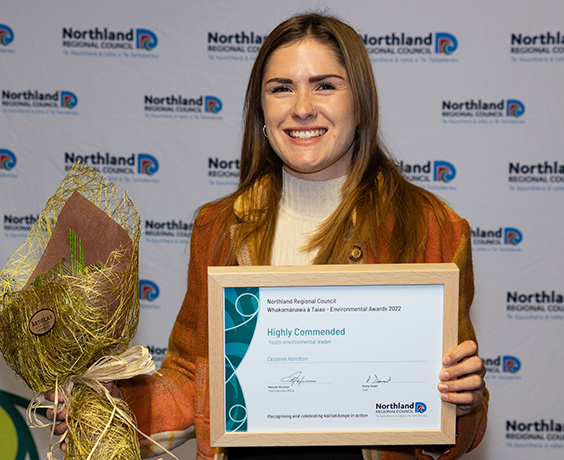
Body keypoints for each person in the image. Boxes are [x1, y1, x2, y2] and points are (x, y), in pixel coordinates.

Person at [51, 12, 487, 460]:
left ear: (360, 103)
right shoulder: (218, 226)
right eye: (281, 88)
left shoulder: (430, 226)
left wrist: (463, 402)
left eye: (325, 85)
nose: (301, 107)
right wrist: (110, 409)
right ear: (261, 111)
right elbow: (190, 377)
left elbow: (458, 424)